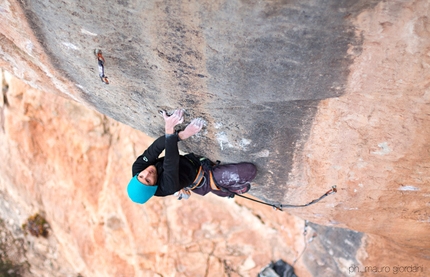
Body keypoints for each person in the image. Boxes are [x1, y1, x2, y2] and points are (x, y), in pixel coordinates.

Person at [127, 109, 257, 204]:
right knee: (249, 171)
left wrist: (182, 135)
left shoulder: (138, 168)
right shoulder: (167, 187)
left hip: (190, 162)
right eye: (148, 180)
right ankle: (227, 191)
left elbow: (155, 149)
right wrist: (169, 129)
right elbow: (170, 162)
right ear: (153, 187)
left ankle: (221, 189)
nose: (147, 173)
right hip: (201, 178)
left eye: (141, 176)